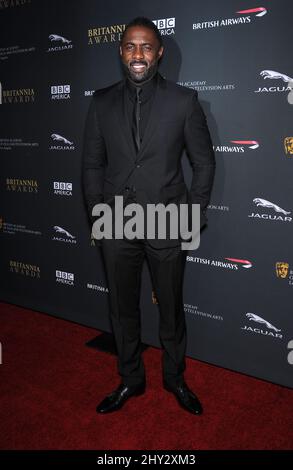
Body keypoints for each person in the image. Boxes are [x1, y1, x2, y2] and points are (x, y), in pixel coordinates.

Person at [82, 17, 215, 415]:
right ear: (120, 51)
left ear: (158, 52)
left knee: (171, 308)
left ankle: (175, 378)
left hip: (169, 222)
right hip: (116, 222)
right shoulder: (101, 101)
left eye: (145, 47)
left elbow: (204, 163)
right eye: (129, 46)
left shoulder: (184, 101)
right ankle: (130, 379)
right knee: (122, 310)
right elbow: (92, 164)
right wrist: (97, 216)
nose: (137, 54)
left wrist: (191, 216)